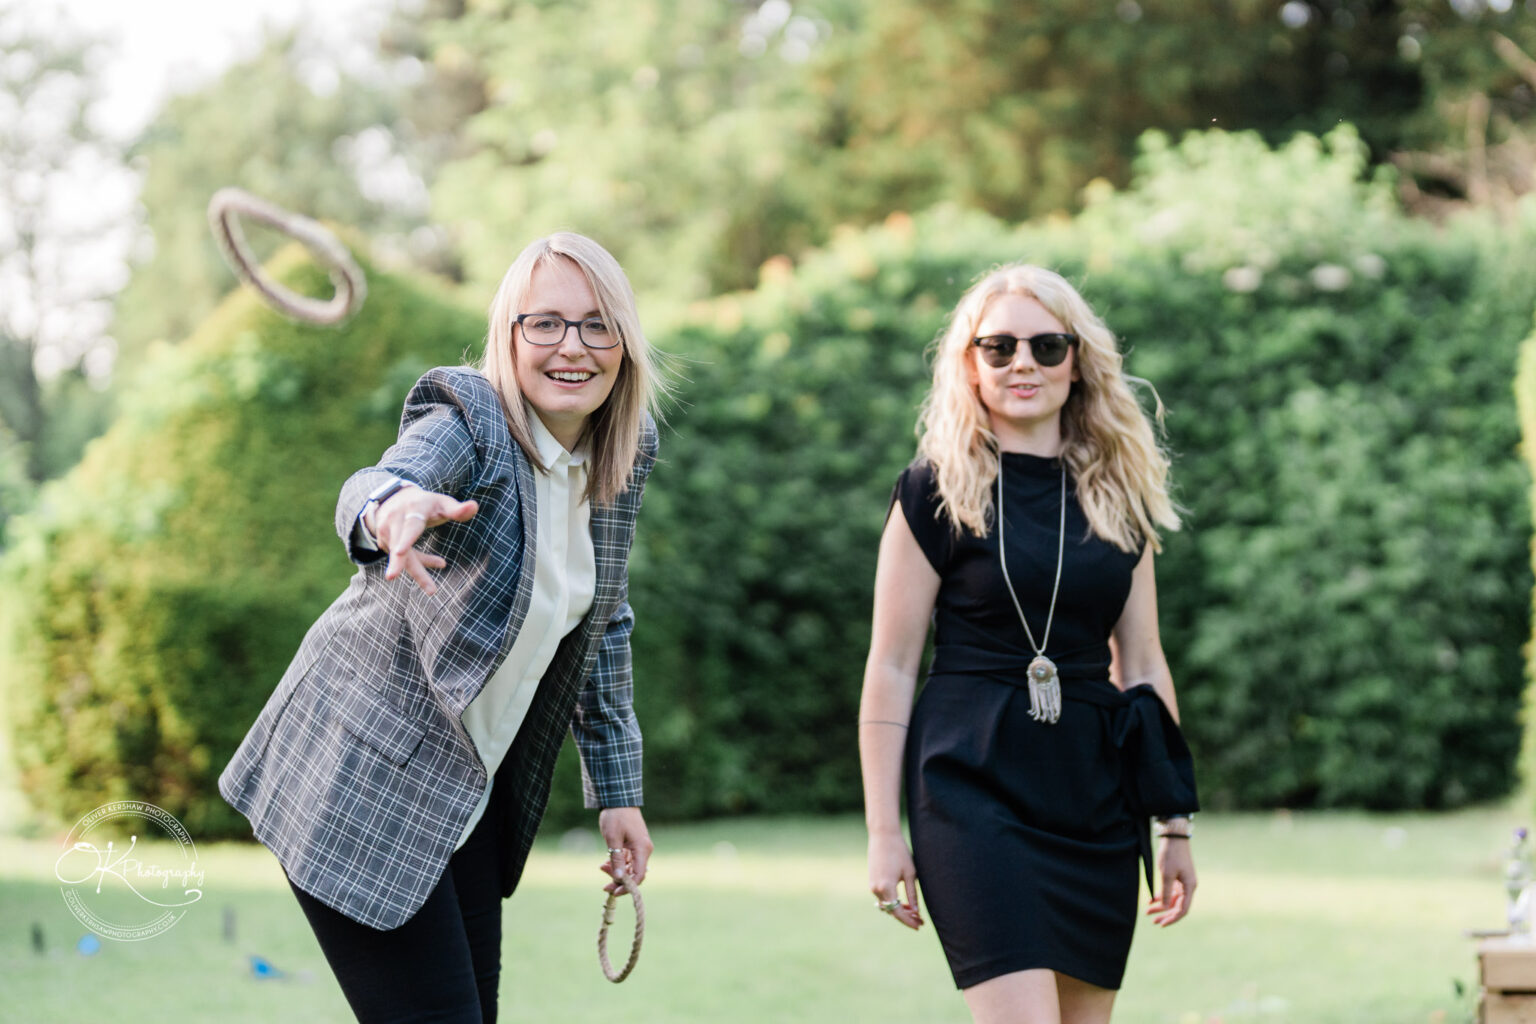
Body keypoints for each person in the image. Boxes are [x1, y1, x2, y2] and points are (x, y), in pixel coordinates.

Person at [219, 232, 666, 1024]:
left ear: (625, 344)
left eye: (598, 325)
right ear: (509, 335)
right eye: (546, 322)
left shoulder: (621, 452)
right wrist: (390, 509)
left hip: (466, 795)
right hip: (360, 779)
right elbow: (382, 478)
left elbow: (603, 619)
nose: (573, 346)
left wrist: (618, 791)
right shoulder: (471, 419)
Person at [858, 264, 1199, 1024]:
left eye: (1047, 346)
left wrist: (1173, 823)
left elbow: (1143, 665)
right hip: (969, 790)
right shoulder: (933, 490)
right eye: (999, 346)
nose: (1023, 364)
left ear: (1078, 363)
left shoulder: (1120, 497)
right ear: (970, 363)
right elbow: (892, 666)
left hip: (1094, 799)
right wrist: (884, 833)